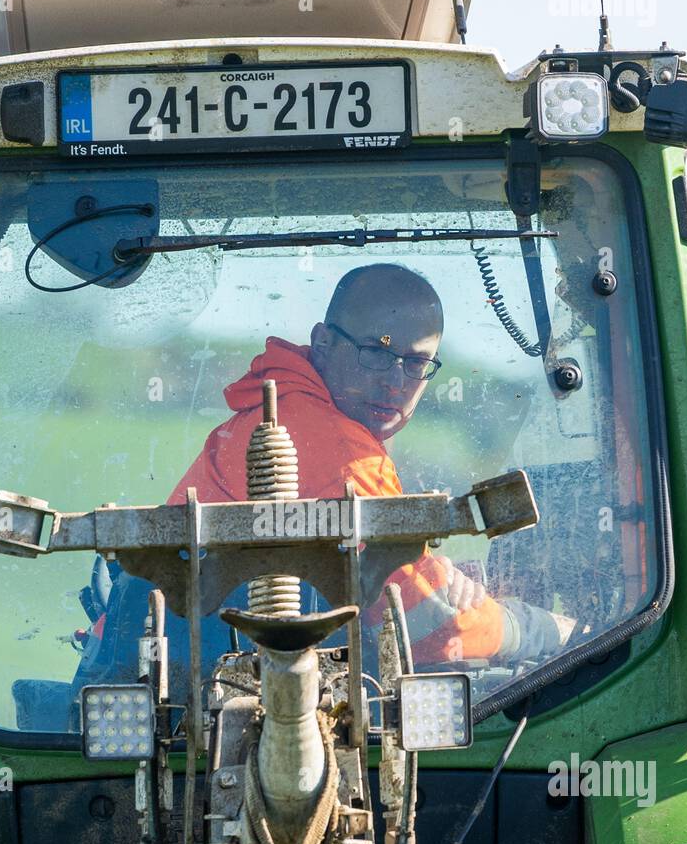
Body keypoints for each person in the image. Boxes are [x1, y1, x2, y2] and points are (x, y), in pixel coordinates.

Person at [167, 262, 572, 665]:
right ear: (323, 341)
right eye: (375, 353)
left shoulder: (280, 414)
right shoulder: (341, 453)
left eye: (416, 364)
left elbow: (386, 588)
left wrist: (433, 577)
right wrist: (537, 627)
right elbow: (433, 631)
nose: (395, 383)